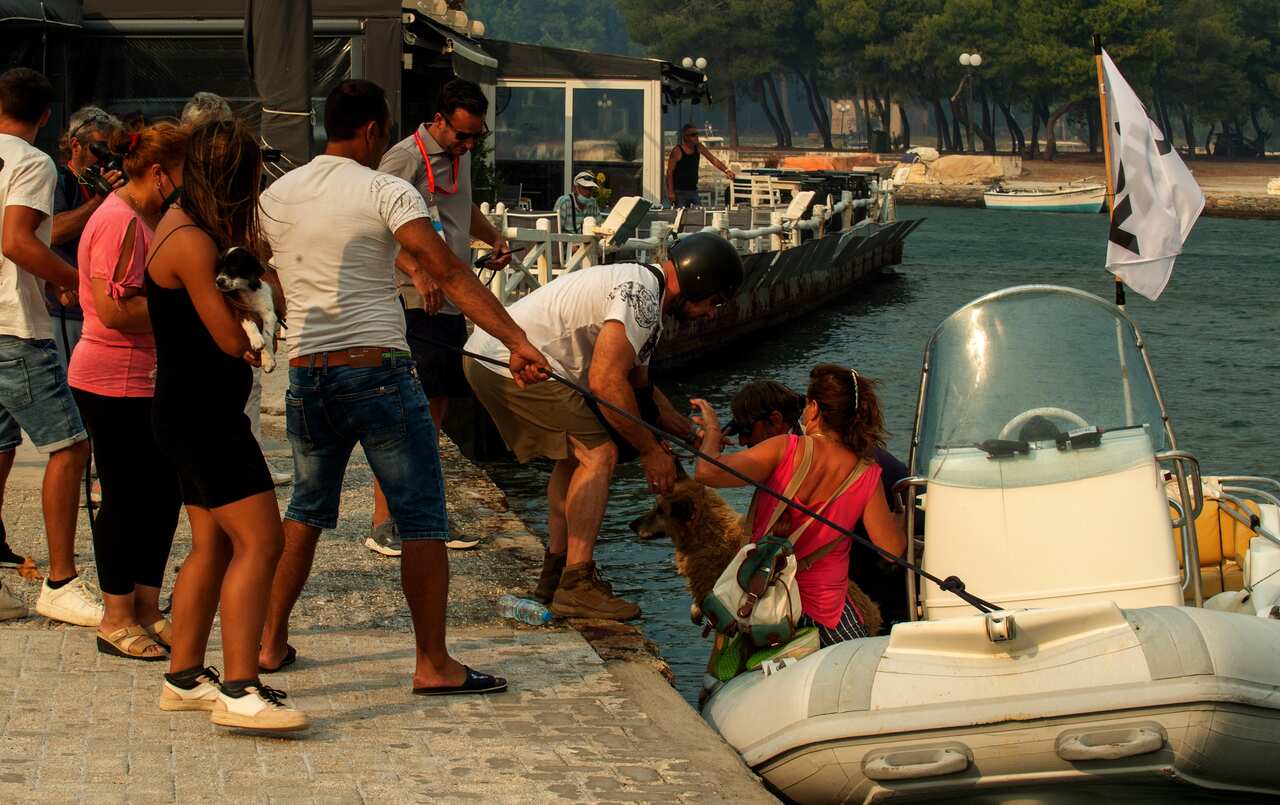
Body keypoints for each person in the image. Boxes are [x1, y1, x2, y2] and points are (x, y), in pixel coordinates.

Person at [257, 80, 549, 696]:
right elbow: (445, 266)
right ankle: (433, 663)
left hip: (308, 371)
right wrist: (518, 341)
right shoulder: (385, 188)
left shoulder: (276, 194)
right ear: (371, 129)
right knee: (421, 519)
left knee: (307, 509)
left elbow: (265, 272)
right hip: (378, 371)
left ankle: (268, 641)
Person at [464, 231, 743, 620]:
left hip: (488, 356)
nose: (711, 312)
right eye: (714, 302)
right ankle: (577, 584)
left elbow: (639, 389)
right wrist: (649, 453)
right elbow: (607, 383)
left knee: (576, 458)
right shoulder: (641, 297)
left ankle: (556, 576)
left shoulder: (645, 290)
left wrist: (684, 432)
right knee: (599, 454)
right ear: (700, 282)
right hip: (511, 363)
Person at [146, 120, 305, 732]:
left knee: (211, 544)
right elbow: (225, 337)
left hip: (186, 410)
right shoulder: (191, 240)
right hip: (203, 415)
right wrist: (259, 286)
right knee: (261, 542)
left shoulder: (190, 226)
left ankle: (185, 676)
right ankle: (241, 687)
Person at [368, 77, 511, 556]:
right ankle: (383, 521)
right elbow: (377, 227)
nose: (468, 144)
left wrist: (492, 237)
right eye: (461, 135)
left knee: (436, 413)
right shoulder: (403, 158)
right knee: (407, 412)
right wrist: (415, 270)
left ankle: (425, 517)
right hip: (413, 300)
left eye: (476, 137)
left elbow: (460, 207)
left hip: (452, 299)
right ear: (438, 120)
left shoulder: (461, 158)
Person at [69, 122, 187, 660]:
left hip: (148, 377)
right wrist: (187, 309)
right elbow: (115, 310)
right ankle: (115, 615)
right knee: (124, 496)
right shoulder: (120, 221)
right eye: (185, 173)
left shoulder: (148, 216)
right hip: (112, 378)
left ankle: (146, 603)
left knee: (160, 494)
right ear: (160, 172)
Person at [690, 365, 906, 646]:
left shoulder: (784, 448)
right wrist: (899, 516)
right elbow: (891, 550)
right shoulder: (867, 474)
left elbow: (707, 472)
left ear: (814, 408)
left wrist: (712, 432)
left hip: (768, 606)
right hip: (828, 616)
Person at [0, 68, 100, 625]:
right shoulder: (31, 162)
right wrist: (72, 280)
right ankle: (60, 580)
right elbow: (17, 241)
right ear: (45, 117)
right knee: (69, 446)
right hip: (15, 324)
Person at [178, 92, 291, 487]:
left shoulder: (230, 202)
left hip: (237, 308)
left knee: (252, 385)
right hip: (204, 332)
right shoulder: (183, 209)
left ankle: (252, 459)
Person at [49, 106, 125, 367]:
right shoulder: (59, 180)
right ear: (75, 145)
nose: (105, 157)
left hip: (103, 309)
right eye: (99, 149)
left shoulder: (105, 180)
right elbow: (54, 232)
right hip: (67, 309)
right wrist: (97, 201)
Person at [666, 124, 733, 208]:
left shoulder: (698, 147)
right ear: (686, 137)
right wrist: (671, 191)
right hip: (679, 191)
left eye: (697, 134)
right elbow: (670, 172)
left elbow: (713, 159)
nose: (696, 137)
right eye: (693, 135)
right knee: (681, 215)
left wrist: (726, 170)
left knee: (698, 213)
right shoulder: (677, 151)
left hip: (693, 190)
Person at [554, 171, 601, 235]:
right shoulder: (564, 202)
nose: (588, 192)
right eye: (584, 188)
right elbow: (556, 230)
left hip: (588, 241)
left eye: (590, 188)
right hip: (567, 242)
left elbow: (599, 225)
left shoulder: (593, 202)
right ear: (575, 188)